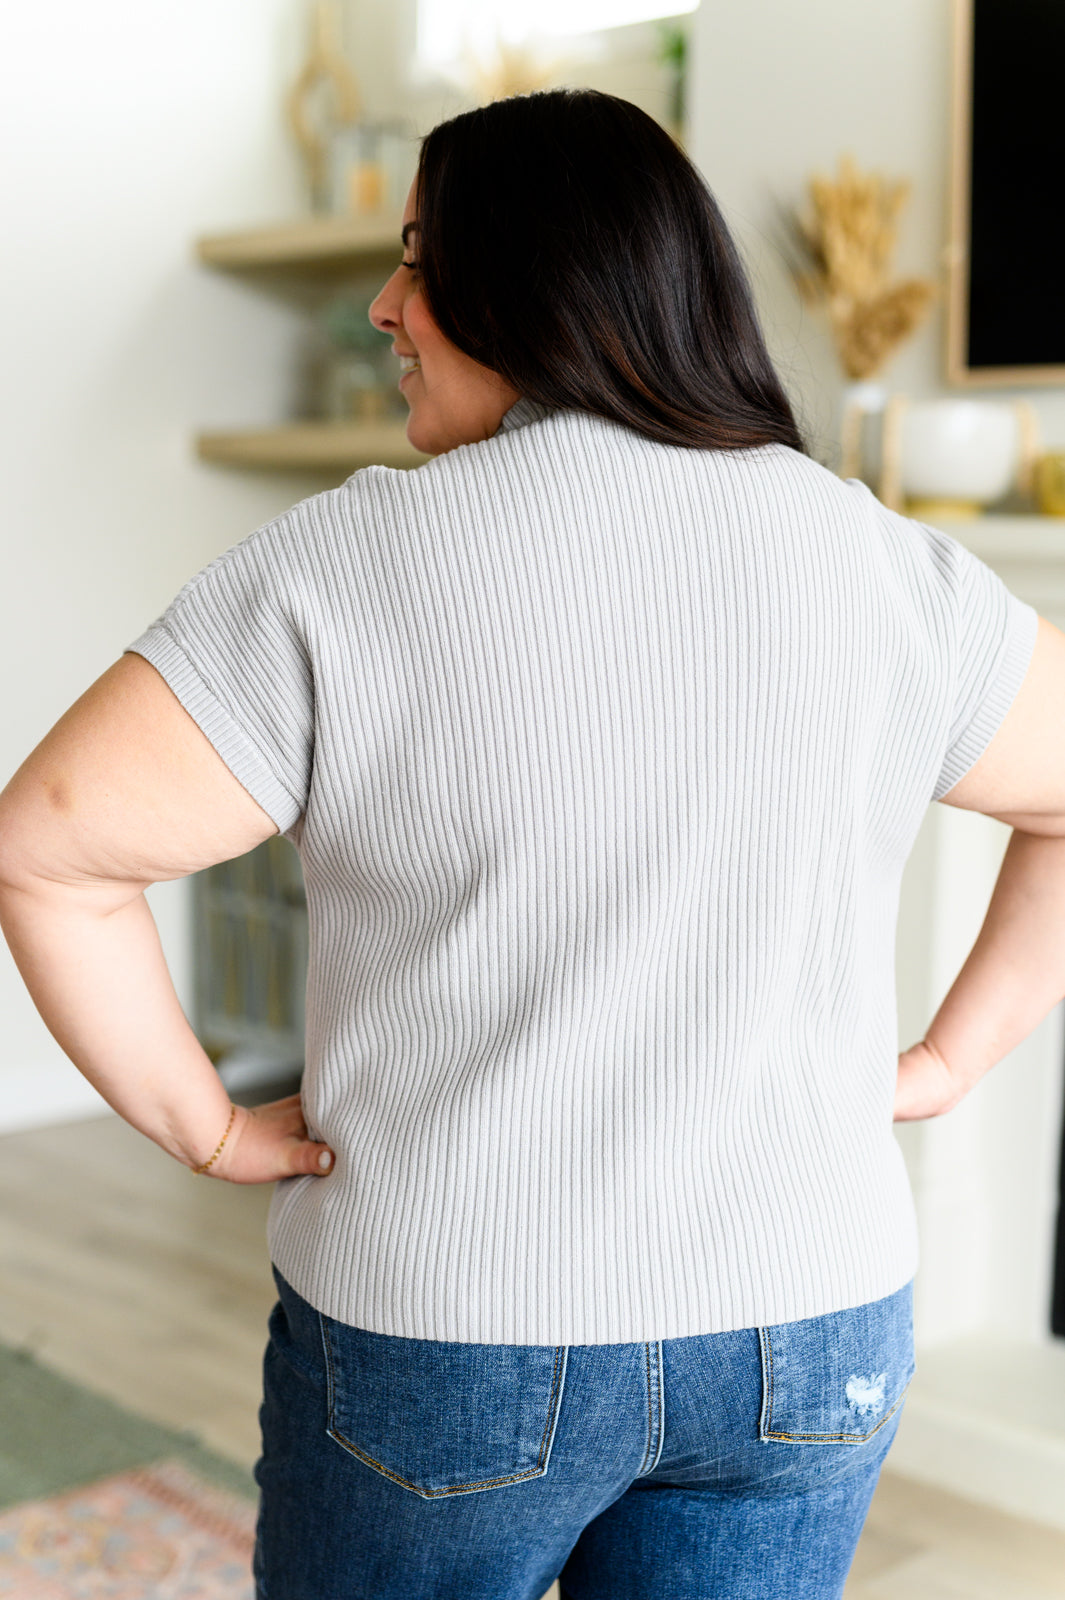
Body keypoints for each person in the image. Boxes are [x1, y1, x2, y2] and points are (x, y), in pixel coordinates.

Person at [0, 86, 1062, 1600]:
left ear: (532, 282)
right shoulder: (886, 563)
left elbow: (46, 850)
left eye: (421, 258)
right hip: (810, 1324)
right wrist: (948, 1061)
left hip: (448, 1333)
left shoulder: (347, 560)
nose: (385, 305)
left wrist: (207, 1127)